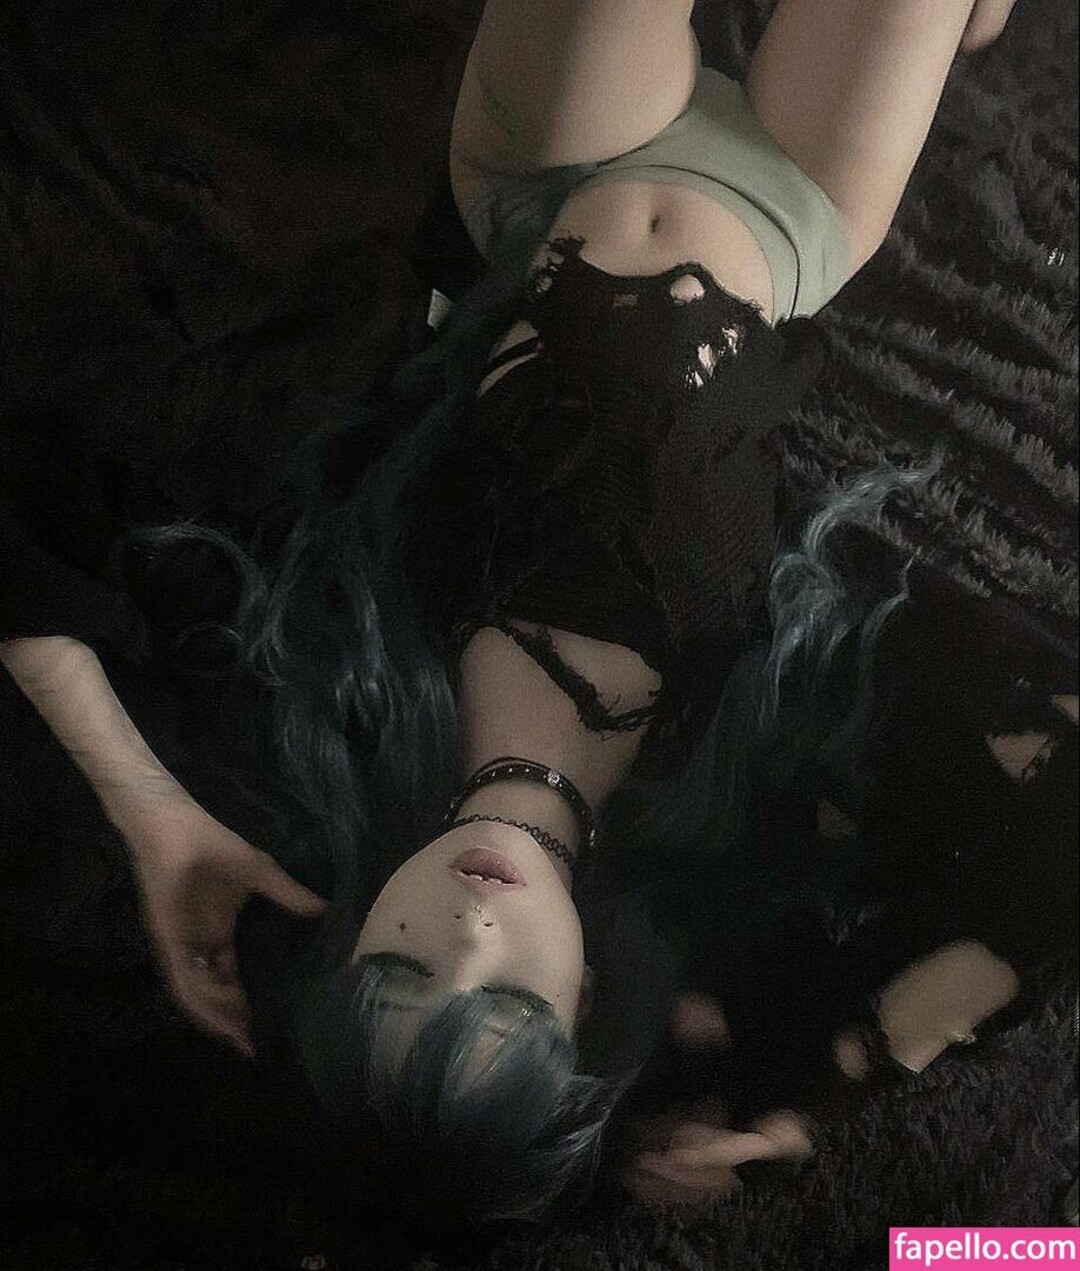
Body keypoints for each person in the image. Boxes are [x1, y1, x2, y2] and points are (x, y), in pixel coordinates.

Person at [1, 0, 1073, 1227]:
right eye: (510, 1002)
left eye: (401, 968)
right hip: (795, 217)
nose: (469, 929)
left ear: (350, 943)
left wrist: (148, 810)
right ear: (583, 1004)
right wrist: (841, 1073)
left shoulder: (319, 703)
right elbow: (1060, 829)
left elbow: (28, 525)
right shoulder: (726, 788)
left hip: (548, 180)